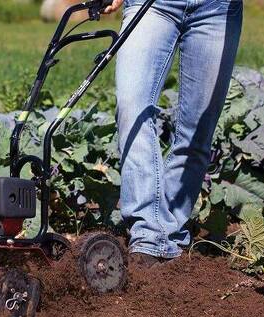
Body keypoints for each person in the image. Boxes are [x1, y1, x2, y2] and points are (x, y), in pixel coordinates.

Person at [104, 0, 243, 267]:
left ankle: (168, 234)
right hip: (153, 5)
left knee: (197, 132)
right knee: (132, 106)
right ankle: (147, 233)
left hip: (217, 9)